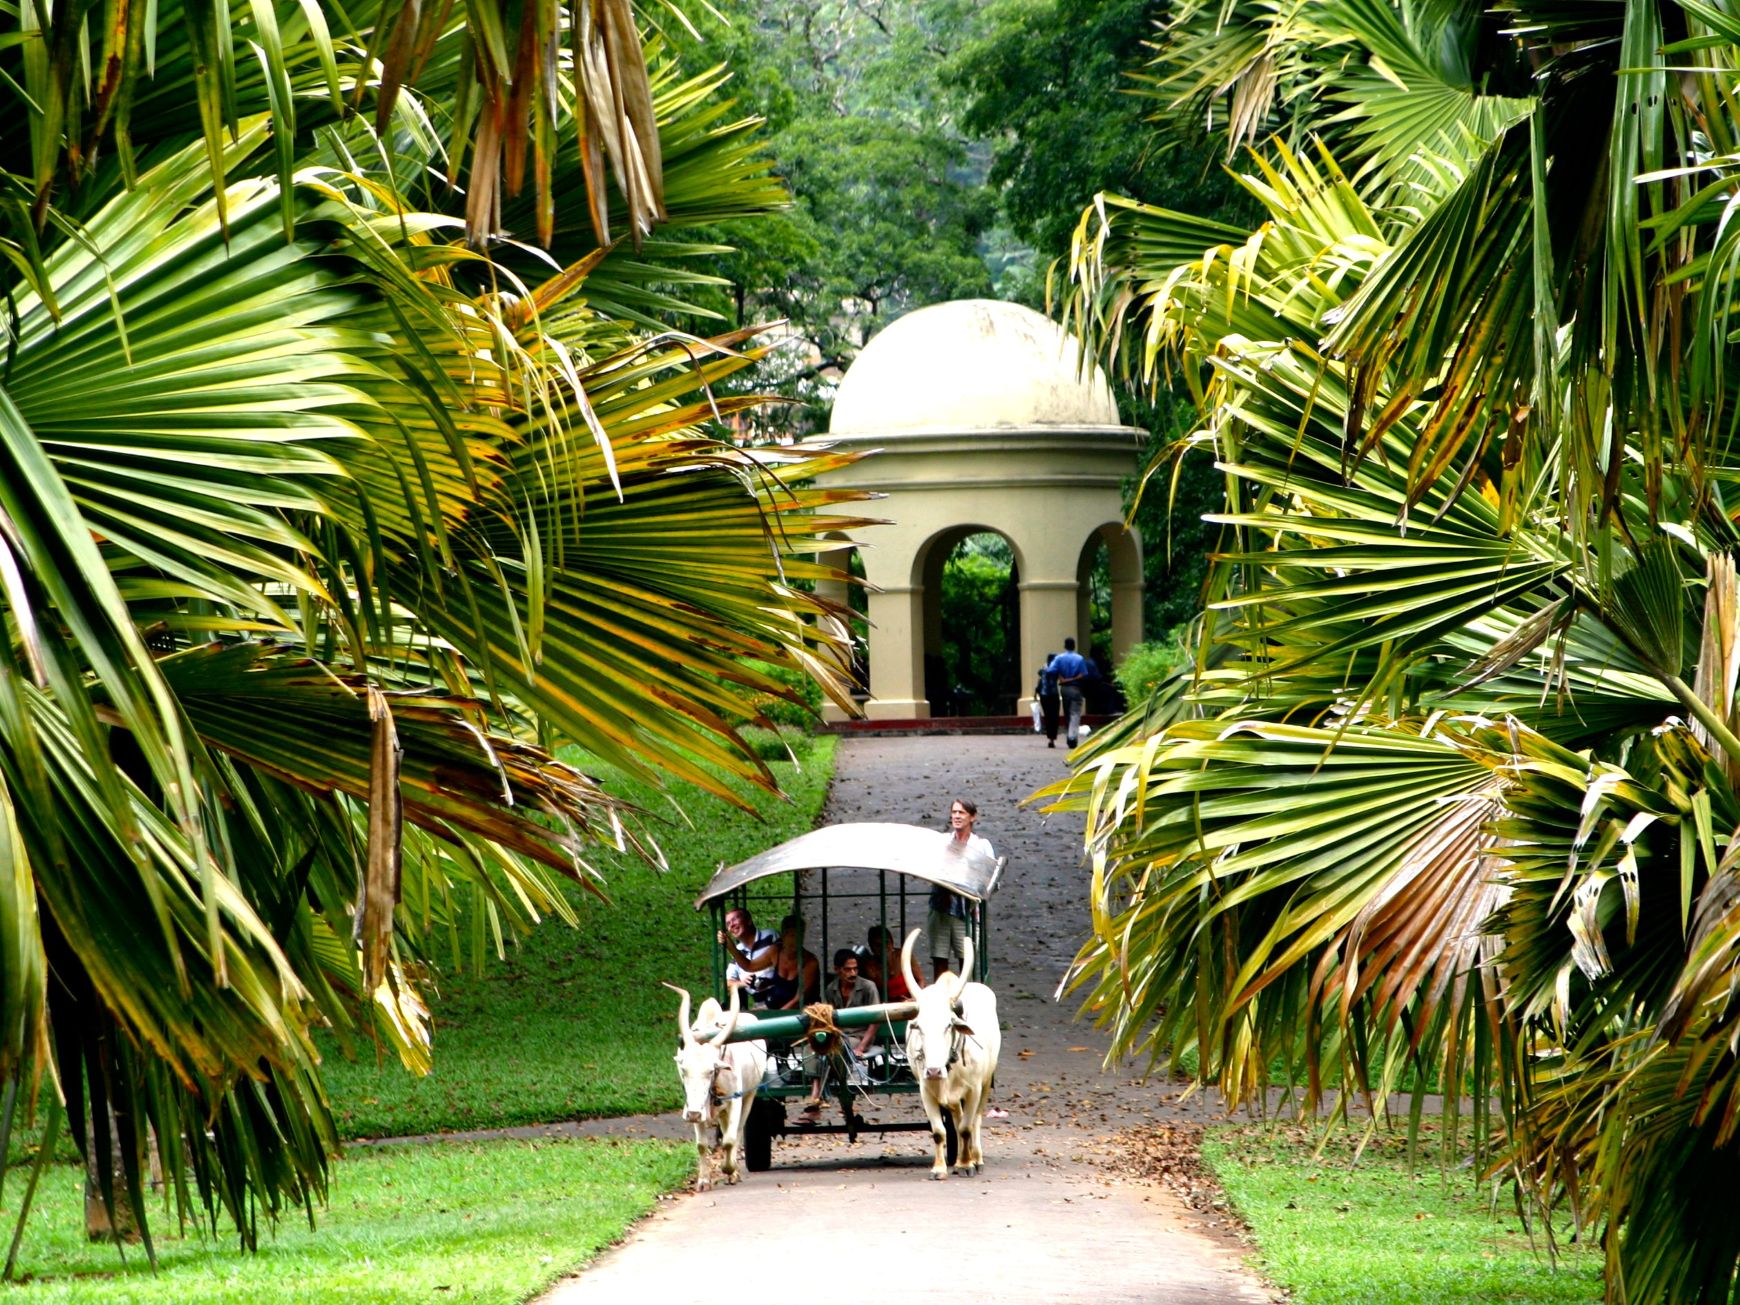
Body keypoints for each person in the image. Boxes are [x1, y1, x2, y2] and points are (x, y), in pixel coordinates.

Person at [929, 798, 993, 979]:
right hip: (940, 908)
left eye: (962, 812)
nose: (957, 816)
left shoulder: (981, 846)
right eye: (954, 812)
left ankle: (967, 1001)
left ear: (972, 817)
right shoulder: (941, 842)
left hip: (967, 913)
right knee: (939, 959)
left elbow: (990, 880)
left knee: (967, 962)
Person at [721, 913, 819, 1010]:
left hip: (799, 1012)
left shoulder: (810, 962)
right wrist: (731, 948)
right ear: (784, 935)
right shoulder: (775, 951)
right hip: (773, 1005)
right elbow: (749, 966)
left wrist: (776, 1017)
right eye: (792, 935)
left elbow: (799, 999)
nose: (796, 940)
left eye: (800, 935)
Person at [718, 906, 777, 1005]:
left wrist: (768, 981)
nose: (731, 925)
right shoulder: (738, 951)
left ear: (748, 920)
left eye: (735, 919)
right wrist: (743, 983)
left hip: (779, 995)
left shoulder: (770, 936)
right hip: (759, 1003)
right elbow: (727, 984)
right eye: (728, 923)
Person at [1050, 637, 1096, 748]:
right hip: (1076, 688)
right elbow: (1084, 674)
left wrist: (1060, 675)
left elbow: (1051, 670)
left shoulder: (1059, 658)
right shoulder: (1079, 659)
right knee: (1075, 713)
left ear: (1065, 646)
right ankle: (1072, 737)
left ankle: (1070, 735)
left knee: (1067, 713)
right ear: (1074, 646)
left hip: (1064, 689)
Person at [865, 923, 917, 1002]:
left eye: (886, 942)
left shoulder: (904, 956)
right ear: (872, 947)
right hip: (888, 1005)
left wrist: (915, 997)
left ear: (892, 943)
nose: (883, 947)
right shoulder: (871, 967)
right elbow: (878, 991)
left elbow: (920, 980)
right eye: (878, 945)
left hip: (911, 1000)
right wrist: (887, 962)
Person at [1036, 653, 1061, 748]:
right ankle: (1052, 738)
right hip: (1053, 695)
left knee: (1048, 716)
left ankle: (1050, 738)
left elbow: (1039, 673)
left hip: (1044, 696)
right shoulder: (1054, 670)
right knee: (1054, 716)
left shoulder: (1043, 668)